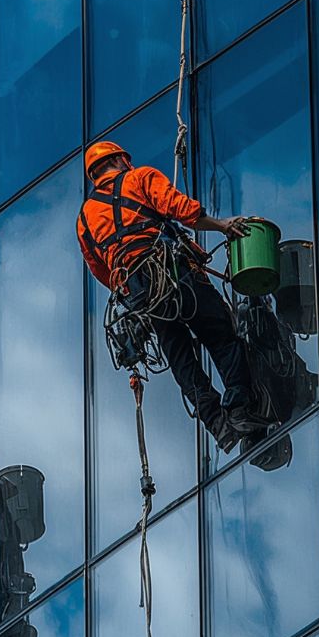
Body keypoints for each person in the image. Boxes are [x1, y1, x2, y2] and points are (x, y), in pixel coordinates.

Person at [74, 140, 268, 454]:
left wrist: (130, 289)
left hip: (143, 297)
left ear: (94, 175)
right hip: (174, 274)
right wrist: (221, 226)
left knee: (181, 360)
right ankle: (240, 412)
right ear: (122, 159)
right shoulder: (140, 178)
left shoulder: (85, 217)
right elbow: (181, 209)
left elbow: (99, 269)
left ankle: (219, 426)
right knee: (221, 335)